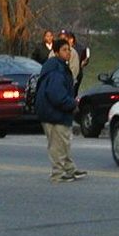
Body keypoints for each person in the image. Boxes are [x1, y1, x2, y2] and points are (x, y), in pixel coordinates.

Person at [35, 38, 87, 183]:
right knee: (57, 144)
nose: (68, 53)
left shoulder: (58, 66)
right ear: (56, 52)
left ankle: (70, 169)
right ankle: (58, 173)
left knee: (64, 142)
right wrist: (71, 104)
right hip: (53, 112)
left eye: (69, 50)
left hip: (54, 111)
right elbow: (56, 94)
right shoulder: (56, 70)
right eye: (64, 50)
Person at [67, 32, 90, 96]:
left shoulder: (80, 48)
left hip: (77, 72)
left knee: (74, 90)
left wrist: (84, 63)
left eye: (69, 38)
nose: (68, 40)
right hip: (66, 72)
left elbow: (85, 59)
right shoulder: (64, 47)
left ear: (72, 39)